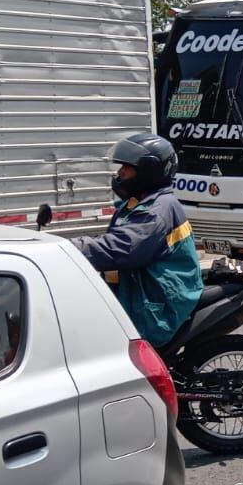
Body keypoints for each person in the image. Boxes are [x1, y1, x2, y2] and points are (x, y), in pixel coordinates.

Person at [72, 133, 202, 349]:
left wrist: (67, 250)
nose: (120, 172)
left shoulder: (157, 211)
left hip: (152, 307)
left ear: (148, 171)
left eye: (127, 167)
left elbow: (121, 249)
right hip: (134, 292)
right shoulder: (138, 203)